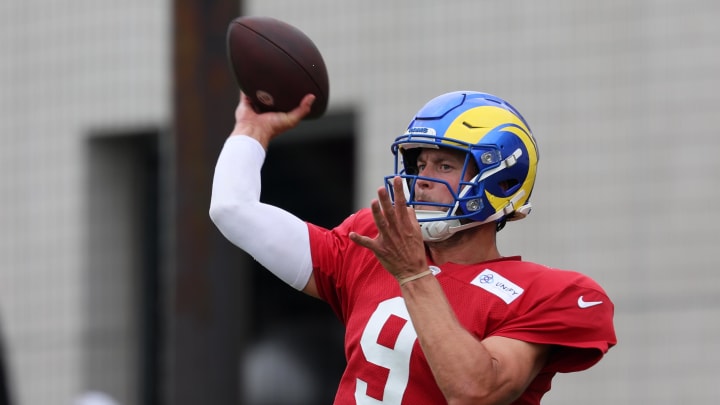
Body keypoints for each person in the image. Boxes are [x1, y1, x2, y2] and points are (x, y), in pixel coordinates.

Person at [209, 90, 616, 404]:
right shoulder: (377, 243)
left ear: (502, 180)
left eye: (444, 165)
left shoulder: (546, 294)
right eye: (420, 164)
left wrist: (413, 274)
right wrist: (252, 130)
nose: (422, 178)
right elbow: (233, 209)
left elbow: (476, 391)